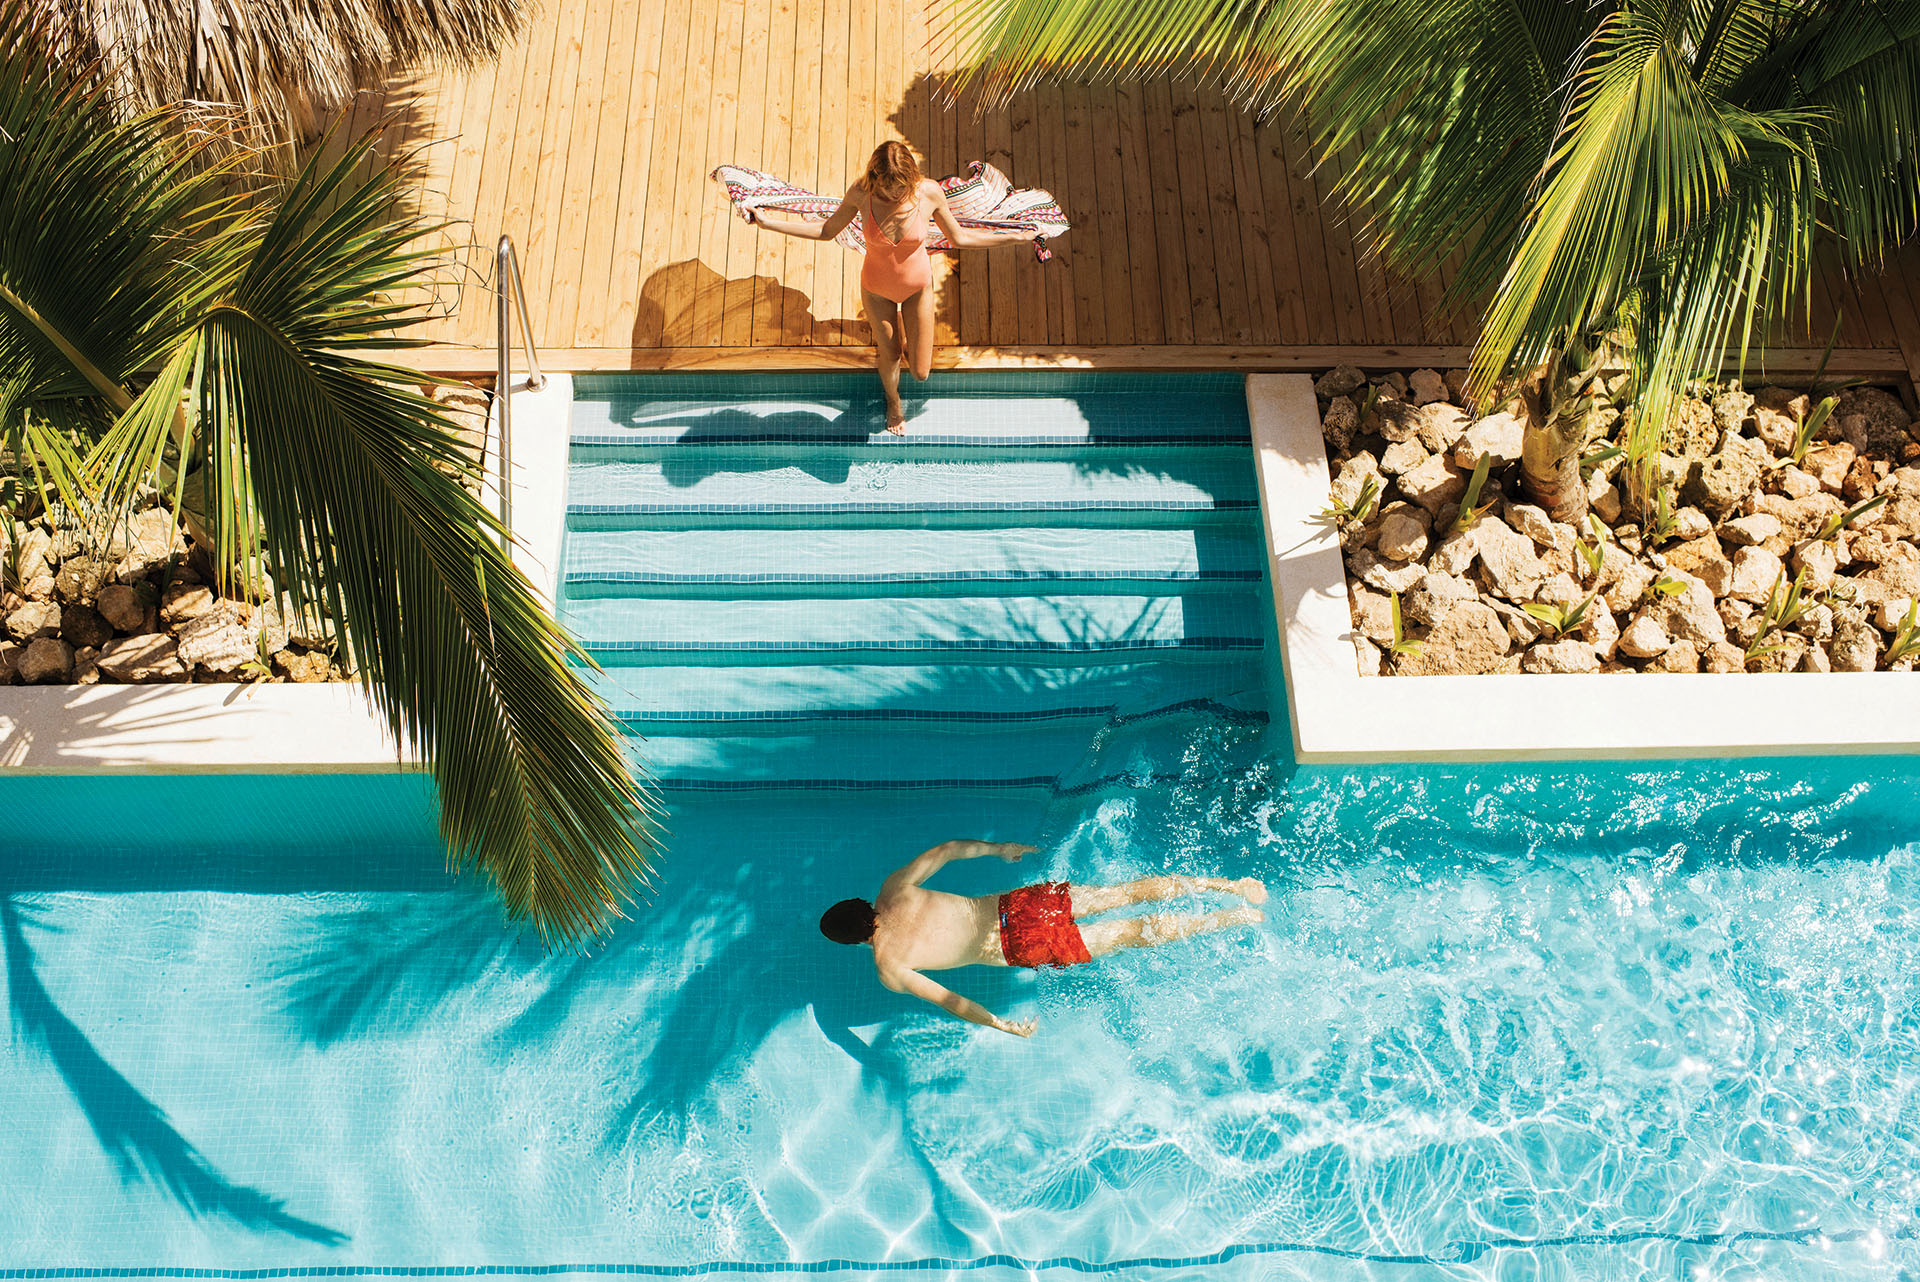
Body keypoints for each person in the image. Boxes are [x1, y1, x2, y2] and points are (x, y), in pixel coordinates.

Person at [819, 840, 1267, 1037]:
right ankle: (1230, 886)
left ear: (855, 943)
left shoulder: (889, 967)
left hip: (1018, 948)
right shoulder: (894, 890)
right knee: (1122, 894)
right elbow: (948, 850)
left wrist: (1002, 1024)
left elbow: (949, 1001)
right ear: (862, 904)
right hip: (1017, 906)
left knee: (1132, 933)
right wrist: (1000, 849)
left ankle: (1235, 918)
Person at [746, 141, 1033, 433]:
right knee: (892, 354)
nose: (895, 193)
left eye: (901, 187)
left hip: (917, 289)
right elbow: (826, 231)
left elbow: (960, 238)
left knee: (921, 372)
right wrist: (768, 224)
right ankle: (892, 400)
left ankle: (903, 331)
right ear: (875, 177)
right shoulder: (862, 193)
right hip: (877, 291)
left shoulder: (929, 192)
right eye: (888, 186)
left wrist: (1014, 238)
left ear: (912, 178)